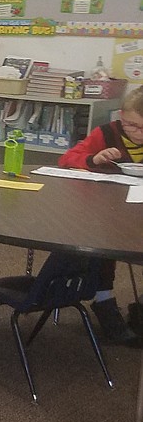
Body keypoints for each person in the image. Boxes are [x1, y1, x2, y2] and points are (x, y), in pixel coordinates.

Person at [52, 86, 143, 343]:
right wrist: (95, 158)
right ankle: (104, 301)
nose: (136, 133)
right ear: (121, 116)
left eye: (142, 128)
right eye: (130, 125)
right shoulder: (107, 133)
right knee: (104, 248)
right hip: (107, 211)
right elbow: (68, 159)